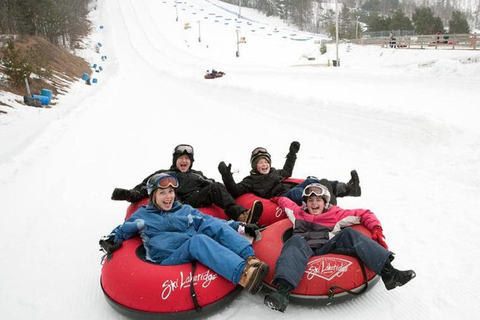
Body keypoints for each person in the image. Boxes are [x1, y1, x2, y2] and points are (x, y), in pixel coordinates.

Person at [100, 173, 269, 294]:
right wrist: (110, 240)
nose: (168, 197)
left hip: (190, 249)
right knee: (199, 240)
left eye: (171, 192)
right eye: (162, 192)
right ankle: (244, 275)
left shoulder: (185, 210)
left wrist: (240, 226)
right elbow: (122, 230)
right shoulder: (142, 216)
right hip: (167, 259)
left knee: (210, 224)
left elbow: (213, 222)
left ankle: (250, 259)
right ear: (153, 196)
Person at [263, 183, 416, 312]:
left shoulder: (336, 214)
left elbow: (364, 214)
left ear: (325, 202)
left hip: (326, 248)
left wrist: (376, 228)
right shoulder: (297, 213)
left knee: (349, 233)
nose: (314, 204)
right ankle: (282, 292)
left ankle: (389, 273)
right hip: (302, 248)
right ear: (305, 203)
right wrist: (275, 199)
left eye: (318, 200)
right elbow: (284, 201)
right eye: (310, 200)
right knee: (295, 240)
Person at [111, 144, 262, 223]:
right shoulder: (165, 174)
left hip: (195, 200)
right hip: (174, 203)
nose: (184, 161)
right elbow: (147, 185)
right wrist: (132, 194)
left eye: (187, 158)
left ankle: (241, 216)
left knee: (215, 187)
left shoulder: (197, 175)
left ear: (191, 161)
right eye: (181, 158)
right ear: (175, 160)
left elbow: (215, 188)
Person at [218, 141, 361, 207]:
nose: (264, 165)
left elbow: (287, 171)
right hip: (280, 198)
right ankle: (328, 204)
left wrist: (292, 153)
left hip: (289, 190)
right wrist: (226, 176)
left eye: (266, 162)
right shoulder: (250, 180)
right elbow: (235, 191)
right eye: (260, 163)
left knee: (315, 180)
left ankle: (349, 189)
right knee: (300, 191)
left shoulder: (275, 173)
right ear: (255, 166)